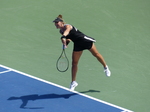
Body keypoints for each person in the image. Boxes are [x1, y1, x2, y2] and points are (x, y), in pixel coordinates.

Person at [53, 15, 111, 91]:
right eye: (55, 23)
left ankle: (105, 67)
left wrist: (63, 37)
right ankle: (73, 82)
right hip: (77, 45)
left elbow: (67, 32)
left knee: (96, 54)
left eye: (57, 22)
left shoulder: (68, 26)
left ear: (61, 23)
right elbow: (69, 39)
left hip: (84, 41)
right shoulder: (61, 31)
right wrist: (65, 44)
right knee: (74, 63)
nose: (56, 24)